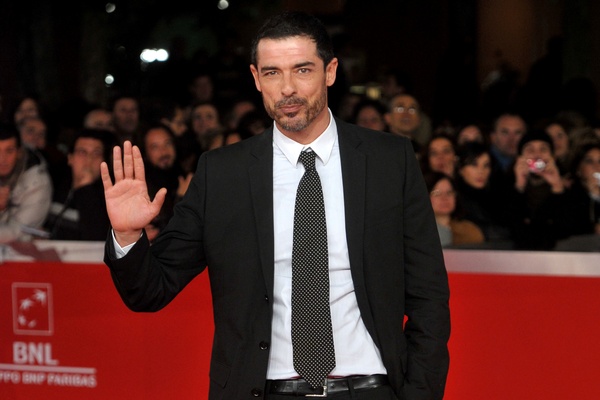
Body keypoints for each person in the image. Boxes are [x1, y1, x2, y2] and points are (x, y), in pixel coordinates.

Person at [101, 11, 449, 400]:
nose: (287, 89)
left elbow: (428, 294)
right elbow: (150, 291)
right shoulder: (222, 174)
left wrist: (419, 392)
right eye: (272, 73)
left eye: (302, 70)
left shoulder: (390, 160)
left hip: (369, 388)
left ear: (330, 71)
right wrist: (127, 235)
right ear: (255, 78)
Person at [44, 128, 115, 240]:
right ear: (70, 158)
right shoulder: (55, 185)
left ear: (104, 161)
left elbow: (95, 238)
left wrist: (85, 189)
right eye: (82, 152)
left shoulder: (111, 198)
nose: (89, 159)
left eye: (96, 154)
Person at [0, 122, 52, 242]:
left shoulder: (37, 181)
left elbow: (18, 233)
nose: (2, 159)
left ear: (19, 152)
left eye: (9, 151)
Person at [423, 171, 485, 248]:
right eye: (437, 193)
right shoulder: (418, 231)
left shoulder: (469, 231)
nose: (444, 198)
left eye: (449, 193)